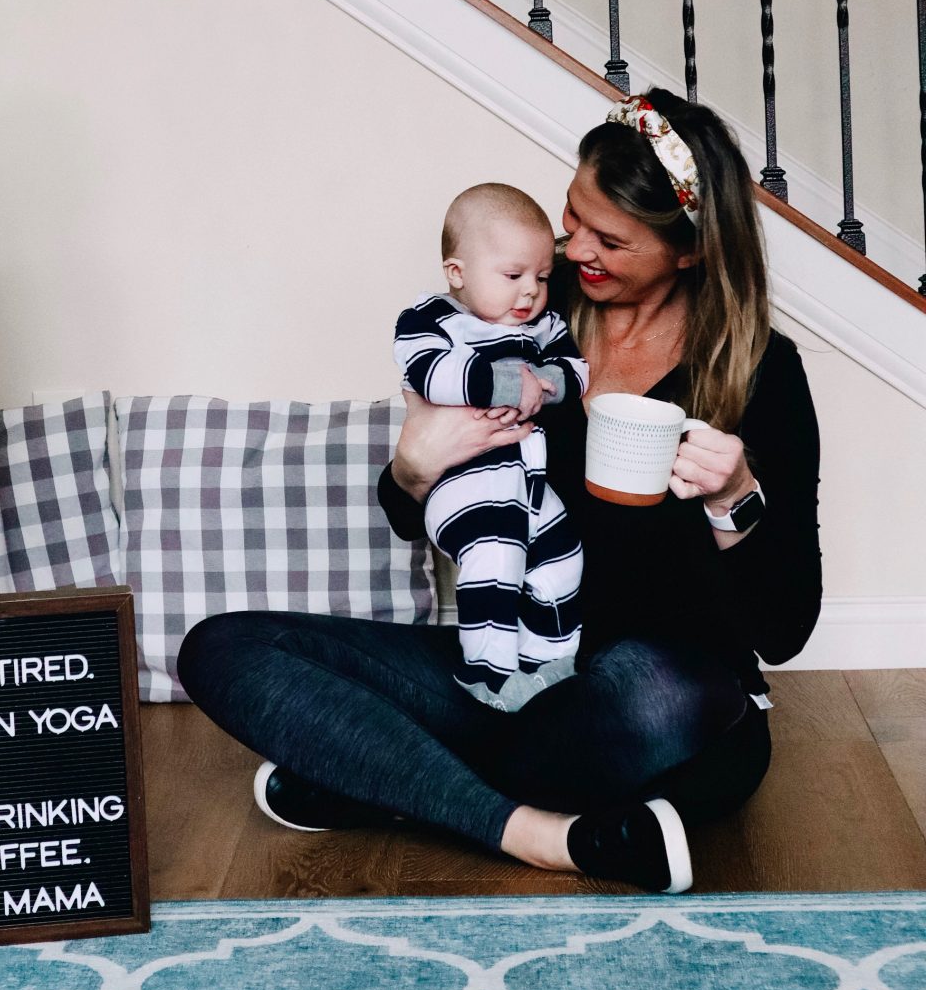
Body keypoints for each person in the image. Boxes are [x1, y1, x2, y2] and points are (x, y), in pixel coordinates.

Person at [178, 90, 821, 894]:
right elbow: (416, 510)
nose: (575, 246)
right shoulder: (524, 306)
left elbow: (785, 628)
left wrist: (735, 496)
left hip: (657, 692)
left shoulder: (761, 371)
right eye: (573, 214)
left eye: (611, 239)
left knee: (656, 692)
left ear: (687, 252)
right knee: (223, 648)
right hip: (510, 664)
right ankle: (545, 832)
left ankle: (385, 777)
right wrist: (412, 468)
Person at [393, 183, 588, 712]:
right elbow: (430, 373)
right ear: (457, 273)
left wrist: (548, 382)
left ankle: (548, 666)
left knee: (561, 560)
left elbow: (576, 369)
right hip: (463, 485)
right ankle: (488, 676)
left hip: (528, 482)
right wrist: (506, 384)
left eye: (541, 278)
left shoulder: (544, 325)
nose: (530, 293)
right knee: (496, 559)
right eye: (513, 276)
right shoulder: (431, 319)